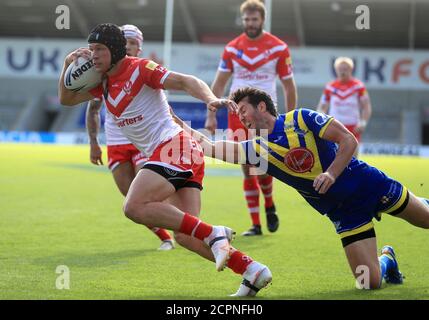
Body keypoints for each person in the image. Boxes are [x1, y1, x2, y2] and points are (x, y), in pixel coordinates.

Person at [58, 23, 272, 297]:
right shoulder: (102, 83)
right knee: (185, 235)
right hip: (177, 154)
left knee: (133, 206)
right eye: (90, 50)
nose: (93, 55)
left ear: (113, 49)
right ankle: (252, 269)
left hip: (175, 148)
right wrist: (67, 63)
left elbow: (185, 81)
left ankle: (214, 232)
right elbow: (66, 98)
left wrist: (210, 99)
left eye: (98, 49)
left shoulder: (140, 68)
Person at [196, 86, 429, 289]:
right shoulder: (256, 150)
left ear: (262, 107)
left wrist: (331, 173)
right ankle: (388, 258)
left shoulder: (301, 118)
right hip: (345, 213)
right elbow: (209, 147)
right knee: (368, 283)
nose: (240, 117)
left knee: (426, 219)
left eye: (243, 110)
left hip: (370, 186)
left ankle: (421, 204)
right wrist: (172, 123)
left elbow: (348, 139)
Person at [205, 0, 297, 236]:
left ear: (262, 20)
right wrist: (211, 114)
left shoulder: (278, 48)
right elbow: (219, 83)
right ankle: (255, 224)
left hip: (266, 114)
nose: (250, 24)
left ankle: (269, 203)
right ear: (242, 20)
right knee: (247, 166)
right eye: (246, 20)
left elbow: (289, 85)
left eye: (254, 19)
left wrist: (291, 117)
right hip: (237, 113)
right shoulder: (232, 48)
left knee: (263, 166)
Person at [86, 24, 175, 251]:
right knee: (129, 196)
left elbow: (166, 109)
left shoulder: (146, 70)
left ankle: (181, 228)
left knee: (145, 194)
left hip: (144, 143)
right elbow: (93, 109)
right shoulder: (102, 77)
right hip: (116, 141)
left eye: (132, 42)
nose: (127, 46)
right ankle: (165, 235)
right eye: (124, 41)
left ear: (139, 48)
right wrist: (93, 142)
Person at [317, 56, 372, 157]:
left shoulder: (358, 86)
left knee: (353, 158)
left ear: (351, 69)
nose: (343, 72)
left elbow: (366, 106)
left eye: (345, 69)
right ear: (336, 70)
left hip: (353, 126)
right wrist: (322, 122)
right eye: (340, 69)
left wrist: (363, 122)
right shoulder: (330, 87)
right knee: (333, 157)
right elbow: (322, 107)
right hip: (335, 125)